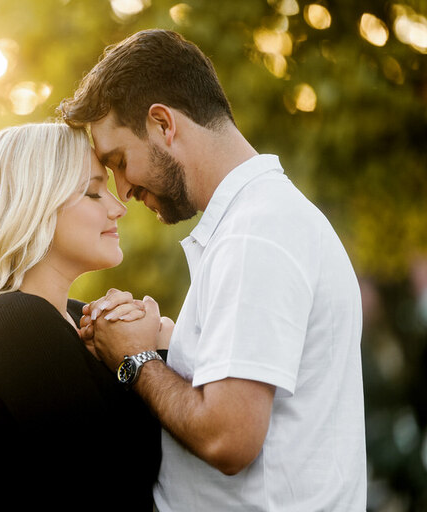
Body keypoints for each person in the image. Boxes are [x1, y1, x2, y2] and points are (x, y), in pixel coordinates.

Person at [59, 29, 367, 511]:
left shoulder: (257, 234)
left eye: (119, 161)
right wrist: (167, 343)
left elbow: (229, 438)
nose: (123, 189)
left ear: (163, 124)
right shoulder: (259, 222)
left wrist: (136, 360)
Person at [0, 123, 168, 511]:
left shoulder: (72, 318)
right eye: (92, 191)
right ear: (33, 206)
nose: (118, 207)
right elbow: (122, 483)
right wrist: (152, 352)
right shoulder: (12, 323)